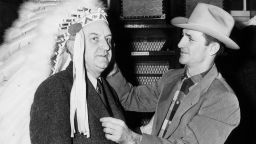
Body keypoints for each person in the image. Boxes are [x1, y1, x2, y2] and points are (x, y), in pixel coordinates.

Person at [100, 3, 240, 144]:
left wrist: (134, 139)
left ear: (212, 48)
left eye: (190, 38)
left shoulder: (223, 99)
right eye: (182, 36)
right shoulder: (171, 77)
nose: (180, 44)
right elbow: (130, 98)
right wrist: (111, 69)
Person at [29, 1, 126, 144]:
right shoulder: (54, 89)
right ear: (73, 46)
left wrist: (138, 135)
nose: (106, 46)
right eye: (95, 39)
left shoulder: (108, 89)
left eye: (108, 40)